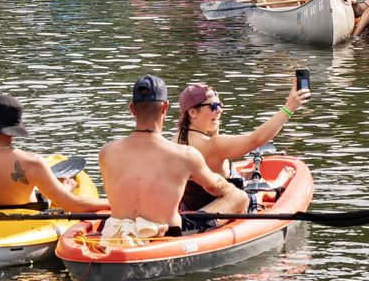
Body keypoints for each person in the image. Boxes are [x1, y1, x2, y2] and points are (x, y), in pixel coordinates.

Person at [95, 76, 248, 245]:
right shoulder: (185, 154)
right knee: (238, 196)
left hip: (116, 232)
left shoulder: (106, 152)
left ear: (132, 109)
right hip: (166, 235)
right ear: (165, 108)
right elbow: (218, 188)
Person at [173, 80, 309, 214]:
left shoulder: (174, 141)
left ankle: (239, 177)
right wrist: (289, 107)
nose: (220, 110)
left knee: (246, 178)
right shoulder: (213, 145)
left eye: (220, 105)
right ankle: (277, 183)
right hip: (223, 208)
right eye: (213, 106)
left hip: (191, 206)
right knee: (259, 189)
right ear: (192, 112)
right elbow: (256, 140)